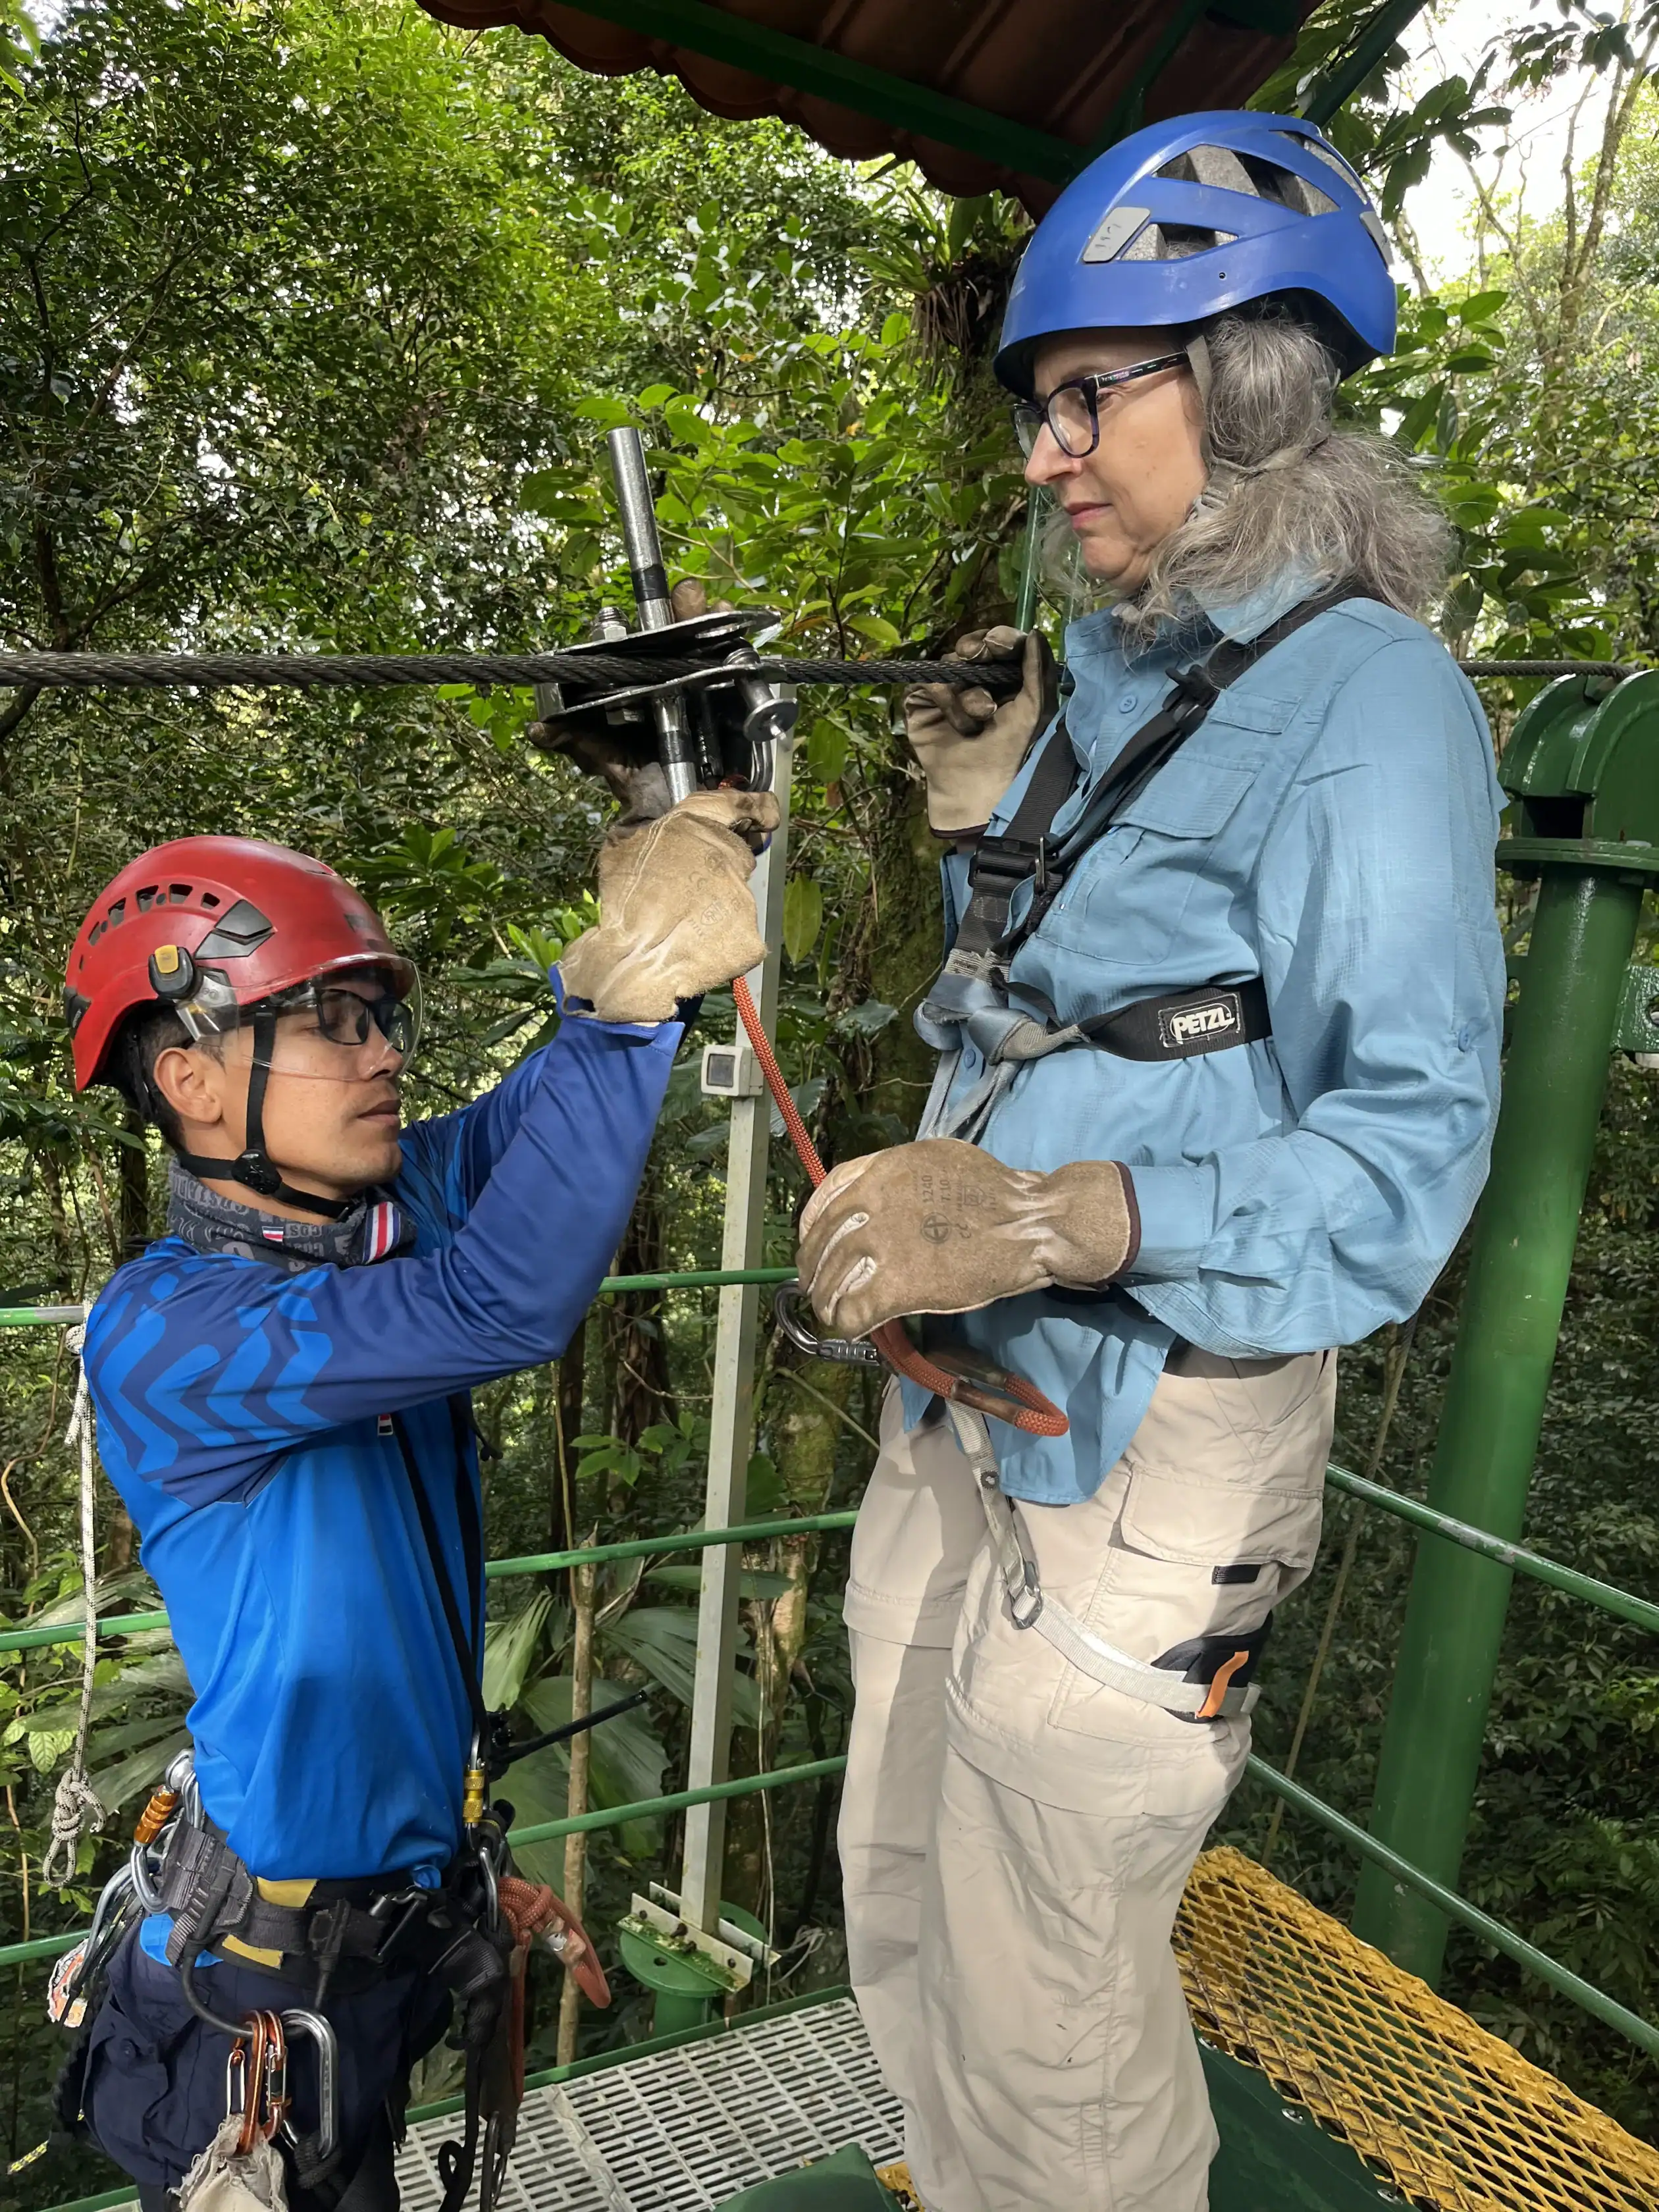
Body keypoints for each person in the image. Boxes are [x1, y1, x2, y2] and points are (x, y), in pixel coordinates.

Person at [797, 113, 1508, 2212]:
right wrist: (984, 829)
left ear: (1259, 380)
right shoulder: (1126, 679)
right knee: (904, 1876)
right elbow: (1095, 1012)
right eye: (1041, 406)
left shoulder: (1371, 704)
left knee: (1056, 1993)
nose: (1046, 454)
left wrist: (1076, 1213)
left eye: (1089, 394)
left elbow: (1404, 1154)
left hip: (1159, 1433)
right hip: (978, 1386)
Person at [57, 788, 776, 2212]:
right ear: (194, 1080)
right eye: (334, 1021)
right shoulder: (171, 1330)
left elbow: (524, 1135)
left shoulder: (360, 1225)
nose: (384, 1054)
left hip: (371, 1947)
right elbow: (504, 1298)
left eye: (383, 1018)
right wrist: (625, 1021)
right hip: (254, 2004)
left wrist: (608, 980)